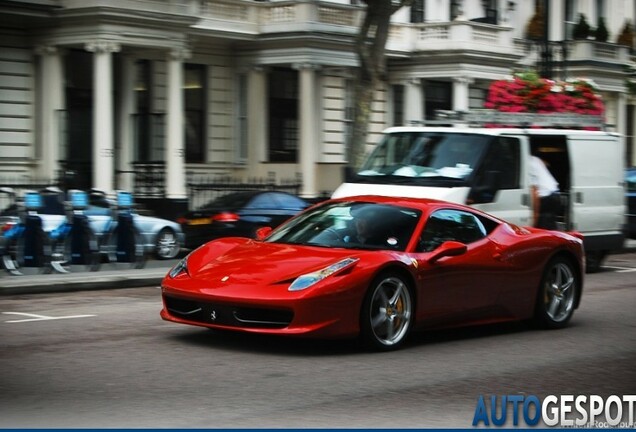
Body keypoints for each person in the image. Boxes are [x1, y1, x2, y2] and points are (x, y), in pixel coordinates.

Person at [529, 154, 561, 230]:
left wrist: (535, 217)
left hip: (546, 197)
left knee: (543, 229)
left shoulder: (526, 164)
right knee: (550, 224)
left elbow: (534, 192)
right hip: (555, 192)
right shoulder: (533, 158)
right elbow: (546, 163)